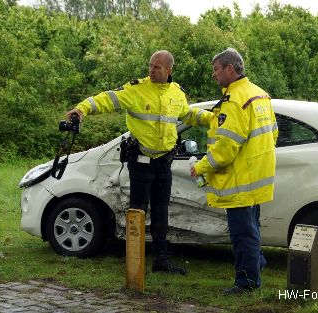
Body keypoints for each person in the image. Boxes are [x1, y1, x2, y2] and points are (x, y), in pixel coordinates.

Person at [66, 50, 212, 275]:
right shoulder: (136, 89)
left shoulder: (177, 92)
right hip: (141, 161)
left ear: (169, 70)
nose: (151, 70)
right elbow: (107, 99)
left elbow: (188, 115)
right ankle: (134, 260)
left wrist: (213, 118)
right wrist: (82, 109)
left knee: (162, 211)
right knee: (138, 210)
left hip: (164, 161)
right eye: (150, 66)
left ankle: (160, 260)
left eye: (157, 67)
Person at [190, 48, 278, 293]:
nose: (214, 75)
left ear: (230, 68)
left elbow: (227, 147)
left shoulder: (234, 101)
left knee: (243, 234)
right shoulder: (260, 95)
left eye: (216, 70)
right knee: (252, 228)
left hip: (241, 179)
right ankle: (256, 264)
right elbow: (274, 133)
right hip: (258, 177)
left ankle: (247, 282)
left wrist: (201, 166)